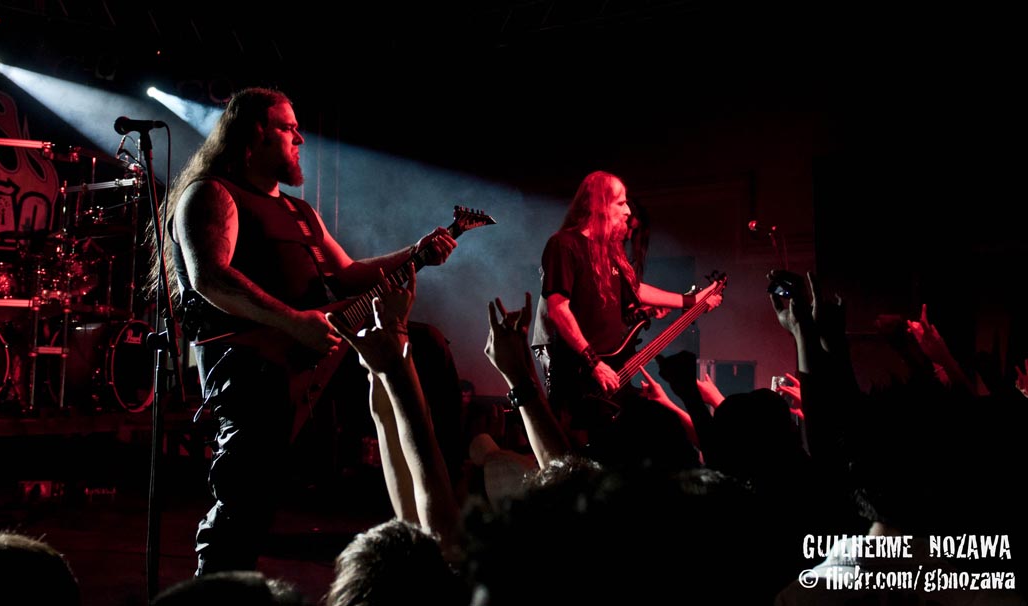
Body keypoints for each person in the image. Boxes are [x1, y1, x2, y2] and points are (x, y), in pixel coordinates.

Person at [151, 87, 458, 575]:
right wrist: (294, 322)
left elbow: (349, 274)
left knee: (427, 348)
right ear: (256, 134)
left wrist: (416, 253)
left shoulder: (301, 212)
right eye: (289, 128)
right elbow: (210, 278)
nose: (301, 139)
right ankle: (215, 591)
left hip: (317, 355)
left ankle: (446, 512)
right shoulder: (213, 194)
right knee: (246, 501)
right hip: (252, 367)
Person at [530, 170, 721, 442]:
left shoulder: (610, 251)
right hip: (580, 376)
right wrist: (594, 363)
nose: (628, 210)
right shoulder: (564, 244)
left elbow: (636, 290)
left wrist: (692, 301)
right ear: (598, 205)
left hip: (614, 373)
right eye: (620, 203)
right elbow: (558, 309)